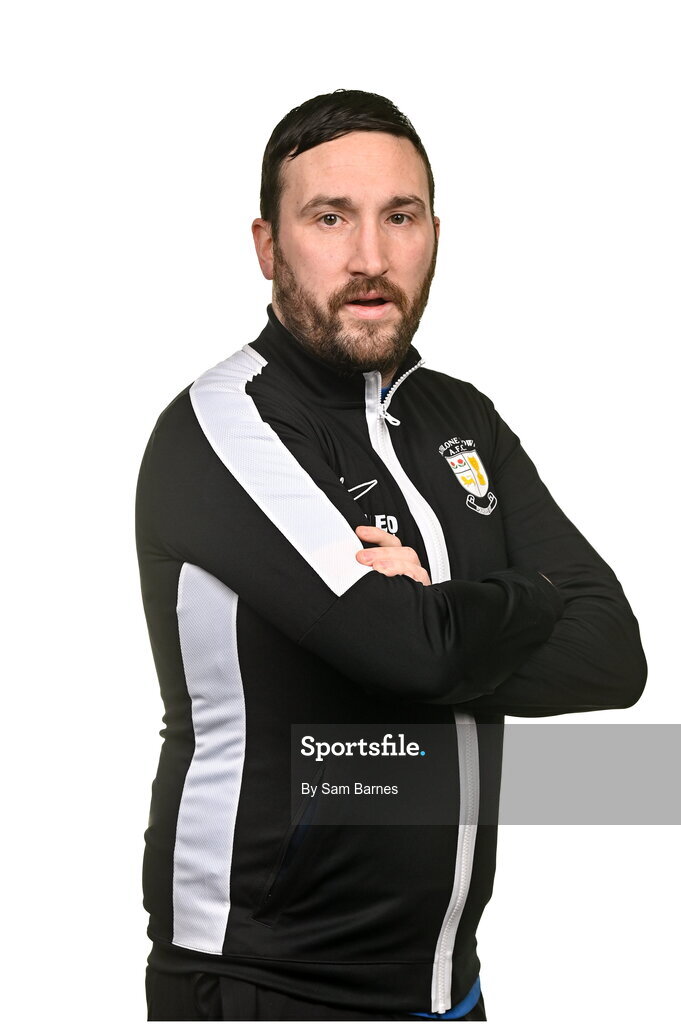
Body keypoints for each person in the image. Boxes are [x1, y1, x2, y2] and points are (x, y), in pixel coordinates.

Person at [136, 89, 646, 1021]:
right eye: (329, 218)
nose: (369, 258)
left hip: (449, 987)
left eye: (398, 217)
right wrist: (490, 615)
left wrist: (441, 608)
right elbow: (409, 654)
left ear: (433, 233)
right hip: (268, 984)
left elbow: (613, 655)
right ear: (267, 244)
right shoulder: (224, 425)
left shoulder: (459, 415)